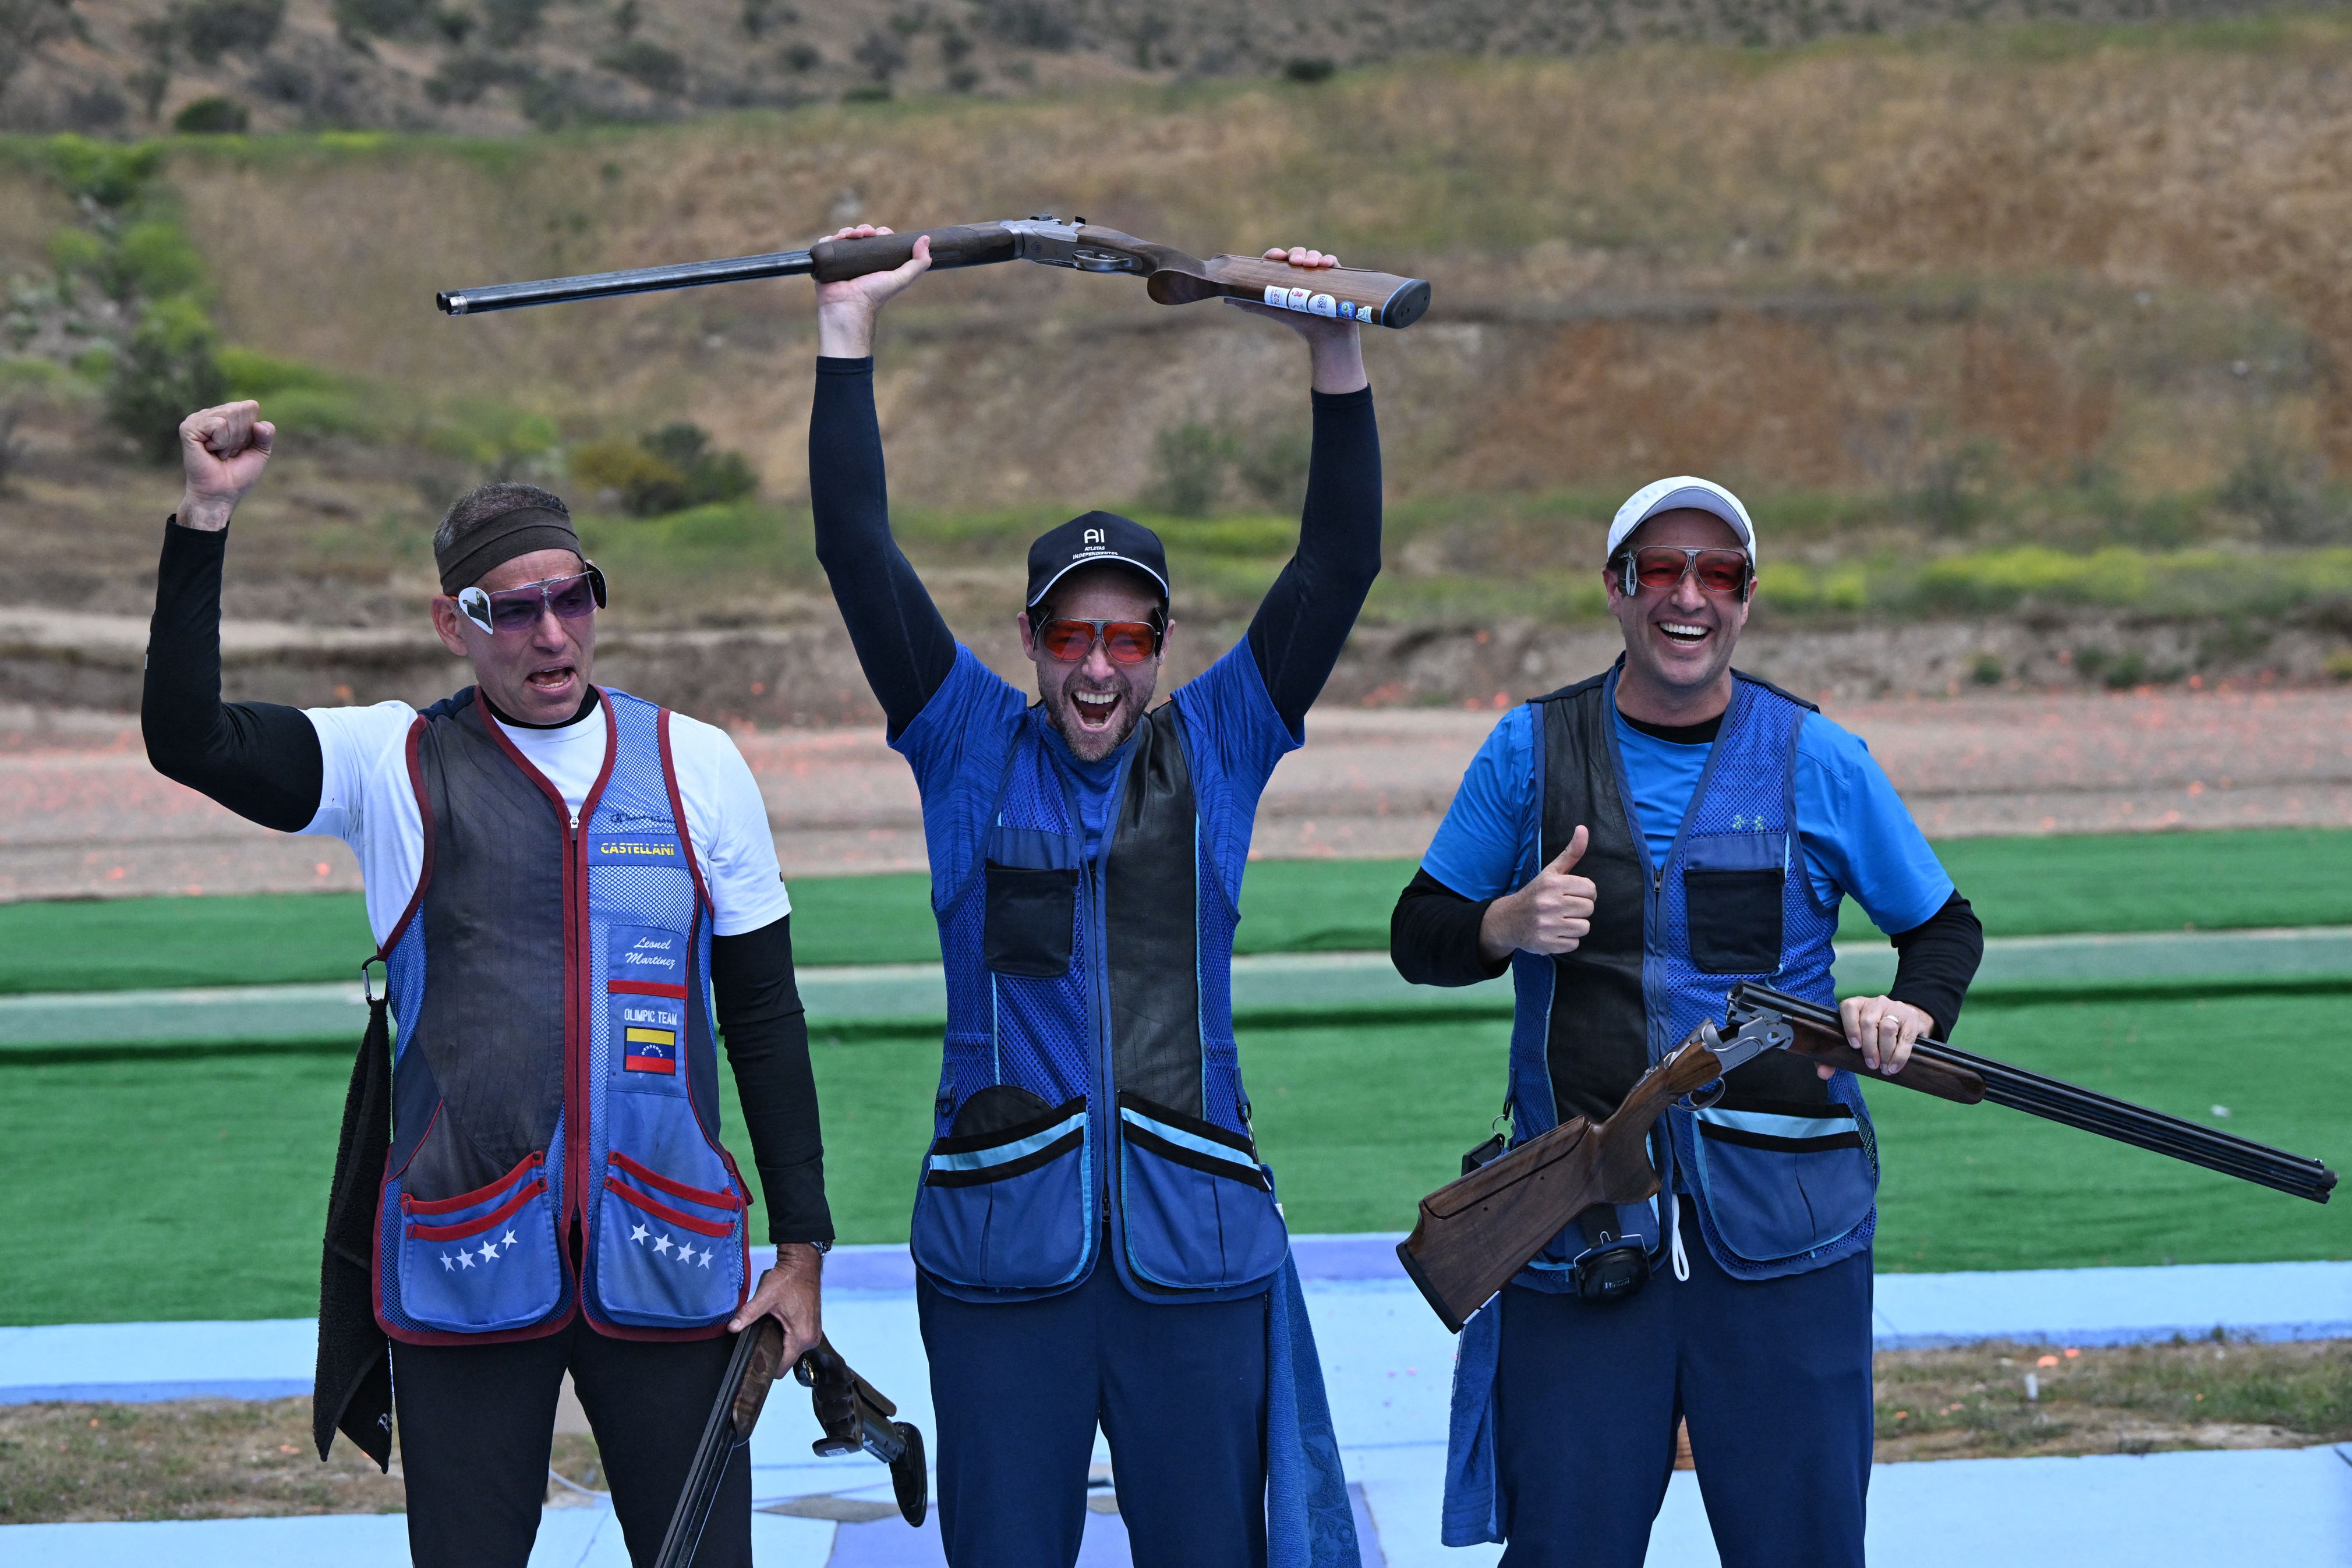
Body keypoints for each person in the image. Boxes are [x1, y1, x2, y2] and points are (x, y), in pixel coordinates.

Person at [142, 400, 831, 1567]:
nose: (552, 634)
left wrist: (804, 1250)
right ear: (452, 624)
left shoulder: (696, 762)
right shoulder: (388, 763)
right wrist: (205, 516)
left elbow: (762, 1013)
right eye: (512, 610)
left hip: (673, 1258)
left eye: (573, 598)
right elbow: (188, 739)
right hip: (466, 1254)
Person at [805, 227, 1380, 1567]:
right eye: (1072, 636)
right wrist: (847, 333)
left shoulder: (1224, 740)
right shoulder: (960, 742)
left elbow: (1334, 567)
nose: (1100, 669)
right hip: (1004, 1262)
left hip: (1195, 1250)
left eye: (1128, 638)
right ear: (1030, 643)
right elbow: (854, 549)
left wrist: (1331, 343)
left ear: (1162, 646)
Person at [1388, 477, 1986, 1566]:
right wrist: (1504, 921)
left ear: (1748, 599)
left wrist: (1911, 1009)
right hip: (1579, 1224)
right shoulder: (1526, 750)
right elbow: (1418, 931)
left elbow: (1943, 927)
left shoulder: (1821, 756)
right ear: (1616, 590)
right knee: (1567, 1542)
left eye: (1718, 574)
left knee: (1801, 1544)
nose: (1689, 597)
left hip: (1786, 1229)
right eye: (1660, 570)